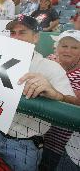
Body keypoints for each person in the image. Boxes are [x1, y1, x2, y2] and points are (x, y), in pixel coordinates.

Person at [0, 15, 75, 171]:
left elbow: (72, 105)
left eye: (22, 32)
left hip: (25, 144)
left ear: (36, 37)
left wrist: (57, 95)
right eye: (12, 33)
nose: (15, 37)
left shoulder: (50, 67)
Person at [41, 30, 80, 171]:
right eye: (64, 46)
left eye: (74, 47)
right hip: (42, 134)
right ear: (56, 48)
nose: (68, 50)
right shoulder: (50, 59)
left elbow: (77, 99)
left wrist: (55, 92)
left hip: (65, 143)